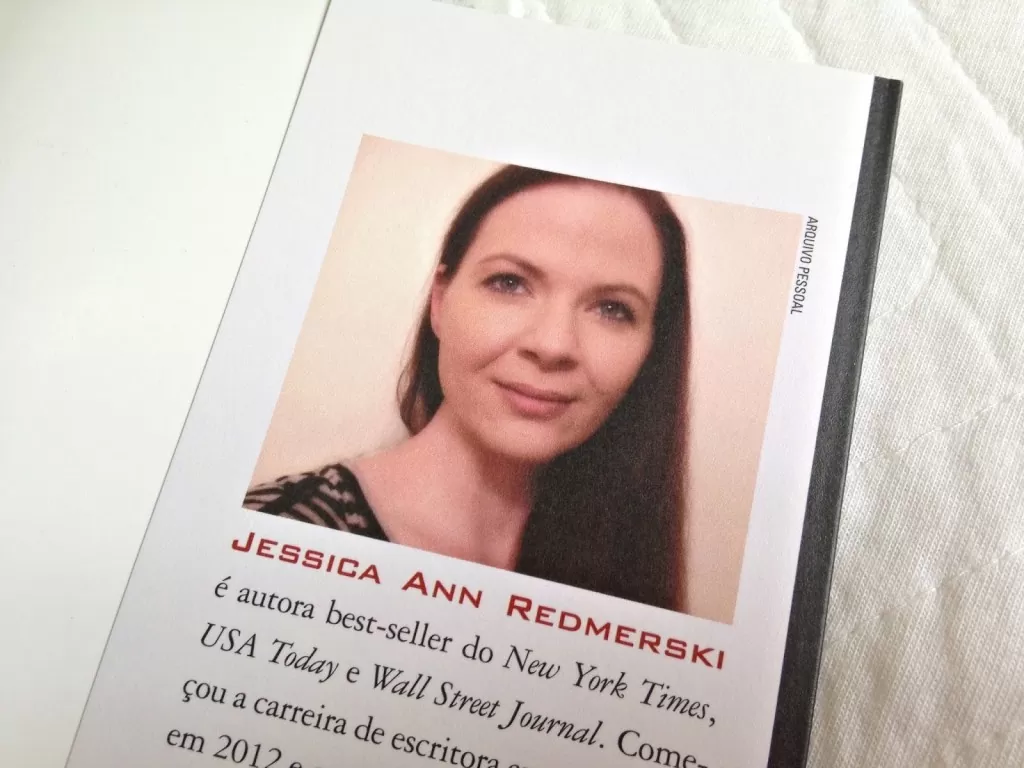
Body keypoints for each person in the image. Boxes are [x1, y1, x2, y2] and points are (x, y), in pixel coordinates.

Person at [245, 165, 690, 610]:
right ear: (440, 301)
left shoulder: (624, 564)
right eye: (509, 283)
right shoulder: (280, 534)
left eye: (612, 309)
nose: (553, 345)